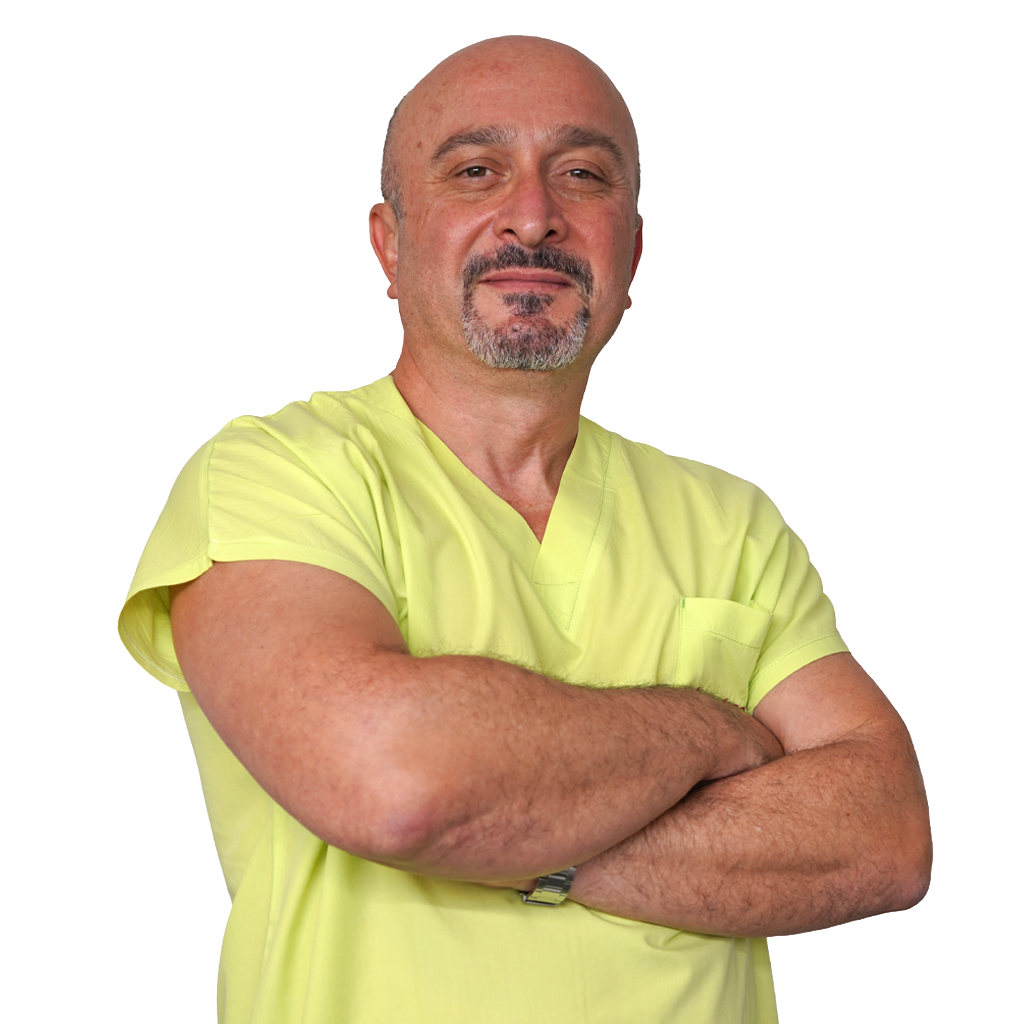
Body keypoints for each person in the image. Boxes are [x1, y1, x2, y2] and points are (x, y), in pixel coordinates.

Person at [118, 35, 931, 1024]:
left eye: (582, 174)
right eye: (476, 171)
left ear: (631, 253)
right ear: (389, 243)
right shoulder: (278, 475)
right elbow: (392, 783)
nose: (534, 215)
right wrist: (710, 731)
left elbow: (885, 837)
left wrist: (507, 834)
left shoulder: (731, 523)